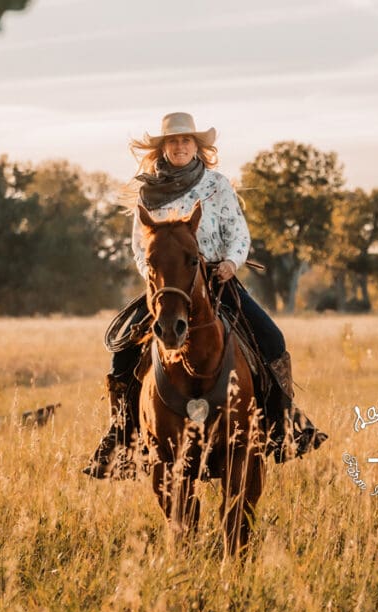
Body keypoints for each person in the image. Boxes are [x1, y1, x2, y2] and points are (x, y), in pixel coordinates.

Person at [83, 112, 324, 479]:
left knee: (272, 340)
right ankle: (122, 439)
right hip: (167, 287)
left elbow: (238, 233)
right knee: (121, 355)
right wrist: (156, 279)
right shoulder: (148, 191)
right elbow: (138, 246)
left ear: (198, 147)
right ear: (163, 148)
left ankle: (284, 428)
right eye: (173, 141)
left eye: (186, 141)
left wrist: (230, 261)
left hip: (215, 279)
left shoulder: (217, 184)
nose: (180, 147)